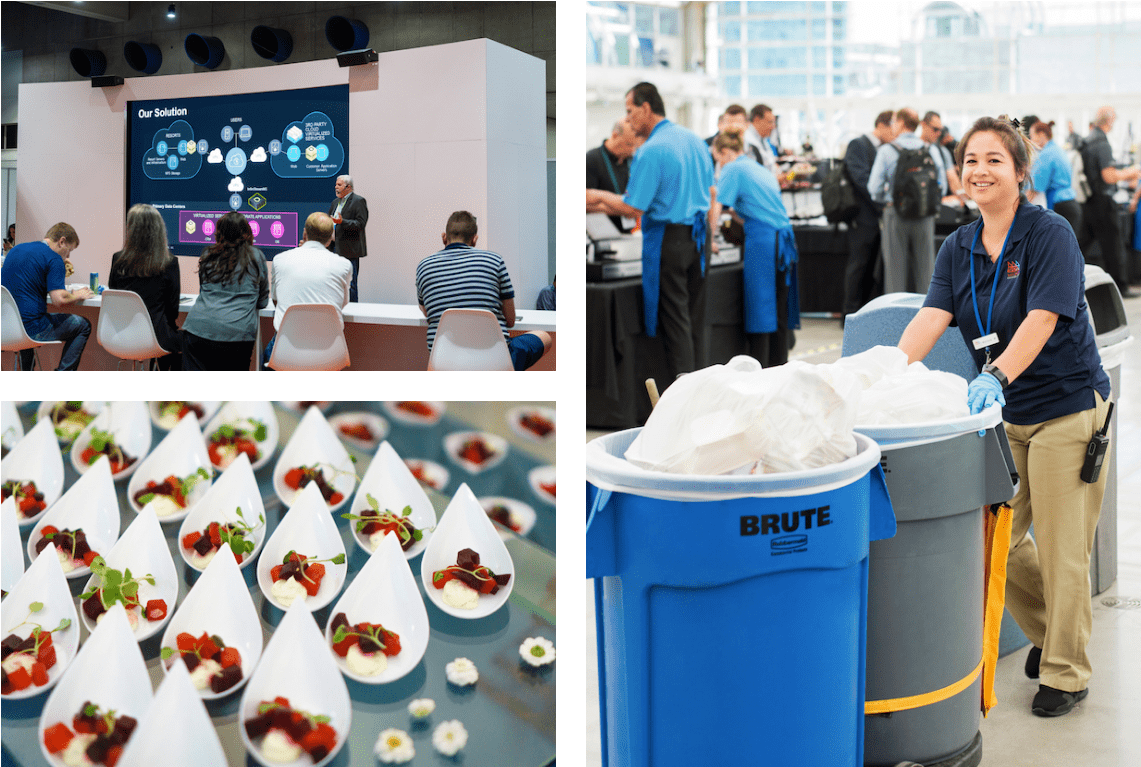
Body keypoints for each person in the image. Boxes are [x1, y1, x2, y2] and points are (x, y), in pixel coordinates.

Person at [897, 116, 1112, 718]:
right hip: (1004, 415)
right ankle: (1053, 632)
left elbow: (1042, 319)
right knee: (997, 543)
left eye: (995, 159)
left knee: (1064, 549)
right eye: (970, 160)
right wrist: (879, 375)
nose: (980, 170)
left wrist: (994, 375)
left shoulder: (1050, 235)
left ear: (1020, 172)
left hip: (1067, 409)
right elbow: (928, 320)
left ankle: (1067, 671)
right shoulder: (958, 246)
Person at [583, 82, 714, 383]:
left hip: (671, 240)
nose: (628, 120)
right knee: (695, 318)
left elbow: (633, 207)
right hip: (699, 237)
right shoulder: (694, 141)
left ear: (645, 108)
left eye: (630, 112)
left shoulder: (651, 150)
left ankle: (679, 395)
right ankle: (700, 388)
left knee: (675, 321)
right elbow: (711, 192)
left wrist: (593, 196)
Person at [415, 210, 551, 371]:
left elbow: (427, 312)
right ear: (475, 239)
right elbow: (510, 320)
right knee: (544, 337)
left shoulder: (423, 267)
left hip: (443, 365)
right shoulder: (495, 261)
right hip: (494, 364)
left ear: (444, 237)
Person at [709, 128, 800, 367]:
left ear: (726, 152)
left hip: (763, 240)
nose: (719, 165)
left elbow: (717, 206)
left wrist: (709, 239)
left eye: (718, 159)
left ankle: (759, 368)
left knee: (760, 309)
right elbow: (749, 210)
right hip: (783, 239)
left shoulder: (732, 168)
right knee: (778, 308)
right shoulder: (758, 168)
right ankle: (779, 365)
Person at [867, 107, 948, 294]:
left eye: (895, 121)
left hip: (895, 214)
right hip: (925, 214)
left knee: (895, 275)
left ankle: (896, 321)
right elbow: (941, 186)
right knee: (926, 273)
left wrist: (887, 199)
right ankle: (927, 320)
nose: (893, 126)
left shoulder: (887, 151)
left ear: (902, 123)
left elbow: (873, 189)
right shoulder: (930, 150)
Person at [181, 212, 269, 370]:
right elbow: (263, 302)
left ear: (218, 233)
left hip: (197, 331)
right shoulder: (257, 256)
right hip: (237, 335)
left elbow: (203, 291)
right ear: (247, 232)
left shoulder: (208, 254)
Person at [262, 211, 351, 368]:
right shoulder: (344, 265)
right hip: (330, 356)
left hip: (284, 354)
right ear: (331, 238)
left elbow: (276, 301)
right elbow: (342, 304)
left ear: (304, 233)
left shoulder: (280, 260)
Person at [1, 222, 94, 370]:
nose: (68, 256)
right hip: (32, 329)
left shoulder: (15, 250)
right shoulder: (53, 258)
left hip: (5, 328)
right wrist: (77, 295)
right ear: (62, 241)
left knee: (25, 316)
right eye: (69, 250)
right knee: (83, 325)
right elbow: (59, 299)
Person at [108, 203, 182, 370]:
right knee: (181, 340)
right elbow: (173, 311)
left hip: (119, 337)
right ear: (158, 230)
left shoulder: (118, 259)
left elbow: (114, 293)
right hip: (155, 340)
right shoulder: (169, 262)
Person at [1077, 106, 1141, 297]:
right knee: (1114, 246)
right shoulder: (1102, 143)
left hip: (1089, 201)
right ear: (1109, 120)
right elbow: (1109, 176)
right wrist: (1132, 171)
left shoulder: (1088, 140)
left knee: (1081, 244)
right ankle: (1120, 287)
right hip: (1103, 202)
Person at [842, 110, 897, 319]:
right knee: (858, 266)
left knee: (871, 269)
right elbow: (861, 179)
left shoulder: (885, 149)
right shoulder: (858, 144)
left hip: (877, 217)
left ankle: (863, 317)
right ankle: (850, 314)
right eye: (893, 128)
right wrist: (882, 199)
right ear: (882, 125)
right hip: (862, 217)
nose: (895, 134)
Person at [1028, 120, 1082, 236]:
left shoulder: (1046, 154)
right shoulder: (1057, 149)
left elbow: (1034, 188)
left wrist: (1017, 210)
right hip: (1070, 205)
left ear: (1041, 135)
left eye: (1032, 136)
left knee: (1061, 248)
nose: (1031, 141)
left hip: (1061, 207)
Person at [586, 120, 639, 231]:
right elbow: (586, 201)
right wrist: (624, 208)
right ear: (615, 135)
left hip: (628, 232)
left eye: (635, 146)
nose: (632, 150)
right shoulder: (592, 159)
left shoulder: (631, 160)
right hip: (601, 234)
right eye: (629, 144)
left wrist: (627, 208)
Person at [328, 174, 368, 302]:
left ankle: (353, 312)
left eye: (339, 185)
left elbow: (360, 224)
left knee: (350, 284)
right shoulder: (335, 202)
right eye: (335, 184)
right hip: (334, 249)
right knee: (334, 283)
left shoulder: (358, 201)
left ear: (348, 187)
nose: (336, 187)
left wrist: (342, 222)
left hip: (349, 250)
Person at [921, 110, 967, 202]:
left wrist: (964, 198)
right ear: (923, 125)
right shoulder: (909, 150)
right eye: (935, 129)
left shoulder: (942, 151)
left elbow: (952, 179)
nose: (938, 133)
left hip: (938, 204)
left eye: (940, 130)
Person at [748, 103, 779, 174]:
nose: (773, 126)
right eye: (770, 122)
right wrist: (789, 176)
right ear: (757, 120)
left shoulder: (763, 140)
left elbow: (772, 167)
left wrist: (792, 174)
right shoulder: (749, 143)